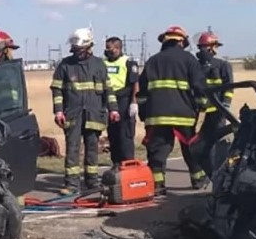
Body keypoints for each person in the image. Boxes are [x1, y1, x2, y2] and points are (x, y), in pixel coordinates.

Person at [137, 25, 208, 196]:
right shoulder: (189, 60)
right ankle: (197, 180)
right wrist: (202, 105)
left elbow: (143, 92)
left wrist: (143, 112)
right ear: (181, 41)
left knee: (157, 151)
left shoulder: (152, 61)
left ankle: (158, 185)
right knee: (190, 148)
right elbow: (199, 87)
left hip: (156, 115)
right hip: (183, 115)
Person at [50, 28, 120, 195]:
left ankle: (92, 182)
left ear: (89, 46)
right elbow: (57, 90)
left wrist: (114, 110)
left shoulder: (99, 64)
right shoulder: (65, 65)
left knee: (92, 149)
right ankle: (72, 185)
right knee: (72, 149)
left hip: (94, 113)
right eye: (75, 50)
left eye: (80, 49)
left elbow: (108, 90)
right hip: (72, 114)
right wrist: (58, 112)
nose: (77, 53)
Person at [103, 36, 139, 168]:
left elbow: (135, 83)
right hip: (109, 101)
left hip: (124, 100)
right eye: (106, 49)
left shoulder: (128, 62)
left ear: (118, 48)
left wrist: (134, 102)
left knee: (125, 136)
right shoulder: (103, 63)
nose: (107, 51)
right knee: (113, 135)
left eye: (110, 49)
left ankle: (128, 164)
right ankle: (116, 163)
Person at [196, 31, 234, 134]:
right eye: (215, 46)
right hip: (198, 109)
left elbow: (229, 87)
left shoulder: (223, 65)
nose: (216, 50)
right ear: (210, 47)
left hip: (217, 109)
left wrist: (226, 104)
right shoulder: (194, 65)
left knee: (215, 137)